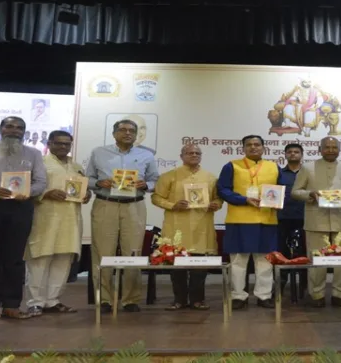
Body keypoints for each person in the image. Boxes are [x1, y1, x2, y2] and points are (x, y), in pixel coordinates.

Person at [86, 119, 160, 313]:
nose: (127, 133)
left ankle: (130, 299)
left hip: (134, 206)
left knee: (133, 252)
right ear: (114, 133)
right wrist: (98, 183)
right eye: (123, 130)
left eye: (131, 131)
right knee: (102, 252)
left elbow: (155, 180)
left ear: (136, 135)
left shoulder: (146, 155)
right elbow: (88, 179)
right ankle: (104, 299)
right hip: (105, 204)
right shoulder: (98, 152)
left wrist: (146, 185)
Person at [0, 116, 47, 321]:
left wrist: (28, 192)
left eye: (19, 128)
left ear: (24, 132)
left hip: (20, 206)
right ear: (0, 129)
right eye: (9, 126)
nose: (14, 131)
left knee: (15, 258)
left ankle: (12, 305)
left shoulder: (33, 154)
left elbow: (41, 182)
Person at [25, 131, 90, 317]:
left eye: (67, 144)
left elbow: (81, 190)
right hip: (45, 218)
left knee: (63, 260)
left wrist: (87, 195)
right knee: (39, 260)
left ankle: (52, 300)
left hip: (70, 220)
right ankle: (35, 302)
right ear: (49, 143)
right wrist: (45, 193)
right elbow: (25, 188)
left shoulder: (76, 166)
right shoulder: (40, 163)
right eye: (59, 143)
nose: (63, 147)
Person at [152, 144, 222, 310]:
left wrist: (215, 205)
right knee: (177, 266)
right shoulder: (169, 176)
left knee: (199, 266)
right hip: (177, 227)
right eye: (190, 153)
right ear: (181, 155)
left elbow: (219, 199)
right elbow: (156, 197)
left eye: (197, 153)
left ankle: (198, 299)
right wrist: (173, 205)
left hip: (201, 226)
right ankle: (179, 300)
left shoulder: (211, 177)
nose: (194, 155)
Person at [292, 137, 341, 307]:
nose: (330, 150)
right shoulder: (307, 167)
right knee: (316, 260)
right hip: (316, 220)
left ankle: (340, 294)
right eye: (327, 147)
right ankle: (316, 295)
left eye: (334, 147)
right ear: (319, 149)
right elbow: (295, 192)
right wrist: (311, 194)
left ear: (339, 149)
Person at [217, 135, 279, 309]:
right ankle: (238, 296)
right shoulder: (232, 166)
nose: (253, 147)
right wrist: (244, 199)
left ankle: (264, 295)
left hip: (266, 220)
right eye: (249, 145)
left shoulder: (273, 167)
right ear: (243, 148)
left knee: (265, 260)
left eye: (257, 144)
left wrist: (279, 202)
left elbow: (283, 190)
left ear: (263, 147)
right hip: (239, 220)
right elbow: (222, 189)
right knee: (238, 260)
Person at [277, 143, 306, 290]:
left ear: (302, 155)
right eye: (290, 152)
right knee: (281, 251)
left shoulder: (308, 173)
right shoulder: (279, 174)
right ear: (285, 155)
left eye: (296, 152)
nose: (293, 154)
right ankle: (280, 284)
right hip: (282, 218)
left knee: (305, 252)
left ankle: (305, 286)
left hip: (305, 218)